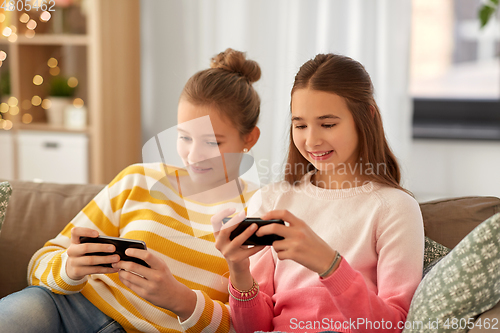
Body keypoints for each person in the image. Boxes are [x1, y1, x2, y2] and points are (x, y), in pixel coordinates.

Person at [0, 48, 262, 333]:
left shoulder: (259, 210)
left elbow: (249, 324)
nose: (193, 155)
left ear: (249, 138)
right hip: (65, 307)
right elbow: (40, 261)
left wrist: (181, 300)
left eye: (212, 143)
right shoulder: (140, 179)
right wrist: (69, 268)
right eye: (184, 137)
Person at [212, 53, 424, 333]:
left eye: (327, 124)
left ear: (367, 116)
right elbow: (253, 328)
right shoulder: (270, 200)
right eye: (300, 125)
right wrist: (239, 271)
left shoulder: (394, 208)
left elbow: (392, 325)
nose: (311, 140)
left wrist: (329, 264)